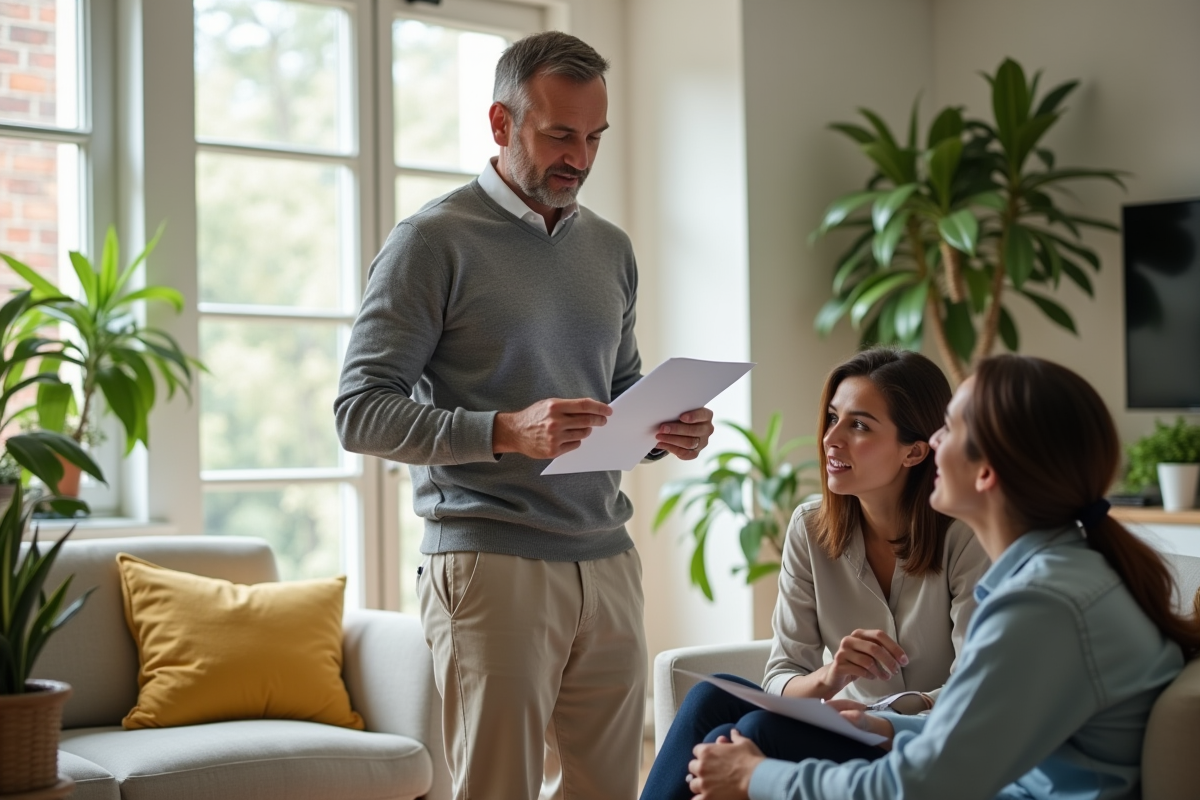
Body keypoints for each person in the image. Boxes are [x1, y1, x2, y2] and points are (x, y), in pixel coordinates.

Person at [334, 31, 715, 800]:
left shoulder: (609, 248)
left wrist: (662, 431)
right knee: (497, 787)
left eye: (594, 137)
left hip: (606, 557)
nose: (579, 156)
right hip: (488, 560)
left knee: (610, 787)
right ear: (502, 125)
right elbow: (360, 411)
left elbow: (619, 387)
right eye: (559, 134)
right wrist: (507, 430)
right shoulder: (432, 241)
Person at [687, 355, 1200, 800]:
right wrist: (888, 723)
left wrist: (756, 779)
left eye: (948, 429)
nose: (934, 441)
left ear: (985, 473)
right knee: (718, 700)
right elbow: (977, 729)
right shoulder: (1054, 577)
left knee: (759, 737)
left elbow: (921, 787)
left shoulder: (1041, 604)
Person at [641, 347, 990, 800]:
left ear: (915, 452)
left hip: (915, 746)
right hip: (849, 725)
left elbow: (979, 693)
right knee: (713, 698)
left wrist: (894, 710)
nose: (831, 438)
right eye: (832, 417)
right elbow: (784, 671)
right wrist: (829, 678)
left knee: (754, 729)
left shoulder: (967, 535)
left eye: (859, 425)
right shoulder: (810, 527)